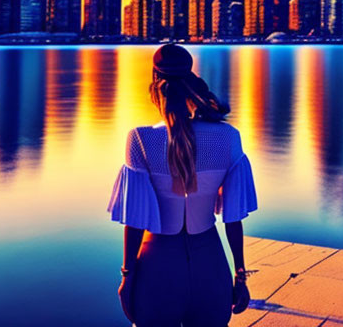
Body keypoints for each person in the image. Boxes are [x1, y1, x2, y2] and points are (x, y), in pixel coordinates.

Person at [107, 44, 258, 326]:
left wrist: (127, 277)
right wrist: (240, 275)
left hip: (157, 268)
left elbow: (136, 220)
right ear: (191, 82)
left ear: (155, 83)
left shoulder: (141, 140)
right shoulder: (228, 137)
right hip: (211, 265)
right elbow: (233, 218)